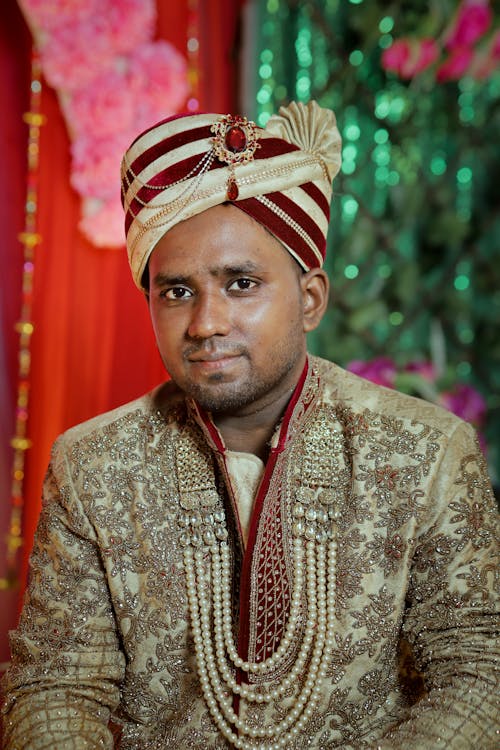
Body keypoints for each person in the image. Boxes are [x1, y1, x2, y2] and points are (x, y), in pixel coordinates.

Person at [2, 101, 499, 749]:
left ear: (310, 299)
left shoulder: (423, 451)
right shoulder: (93, 465)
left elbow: (479, 668)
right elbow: (56, 684)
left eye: (241, 283)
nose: (206, 323)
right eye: (177, 291)